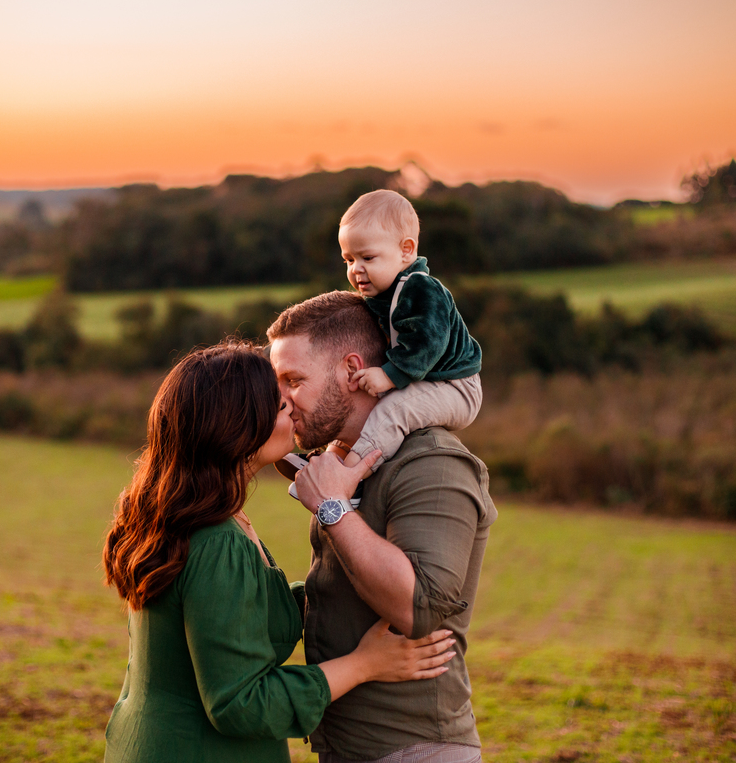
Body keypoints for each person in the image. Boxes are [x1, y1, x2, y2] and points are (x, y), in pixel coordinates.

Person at [101, 343, 458, 763]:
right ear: (234, 427)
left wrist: (357, 580)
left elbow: (238, 615)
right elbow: (242, 703)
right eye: (276, 404)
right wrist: (365, 665)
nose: (290, 409)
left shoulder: (192, 515)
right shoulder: (216, 541)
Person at [268, 293, 498, 763]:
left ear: (352, 369)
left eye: (294, 380)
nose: (283, 401)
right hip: (347, 746)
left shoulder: (432, 462)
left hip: (413, 749)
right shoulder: (344, 462)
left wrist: (333, 508)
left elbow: (419, 608)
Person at [335, 189, 483, 473]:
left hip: (455, 385)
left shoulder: (420, 288)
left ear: (406, 250)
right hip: (426, 380)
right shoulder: (383, 294)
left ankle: (350, 475)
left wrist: (391, 375)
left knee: (394, 410)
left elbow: (428, 342)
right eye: (349, 260)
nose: (357, 270)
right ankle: (336, 454)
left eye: (367, 257)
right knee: (363, 398)